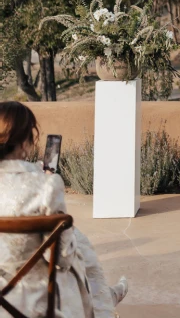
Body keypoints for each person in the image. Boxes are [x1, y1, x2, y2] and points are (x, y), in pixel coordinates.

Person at [0, 101, 128, 318]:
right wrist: (44, 180)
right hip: (38, 299)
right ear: (24, 143)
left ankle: (103, 299)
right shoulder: (46, 186)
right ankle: (102, 303)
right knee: (77, 244)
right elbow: (60, 259)